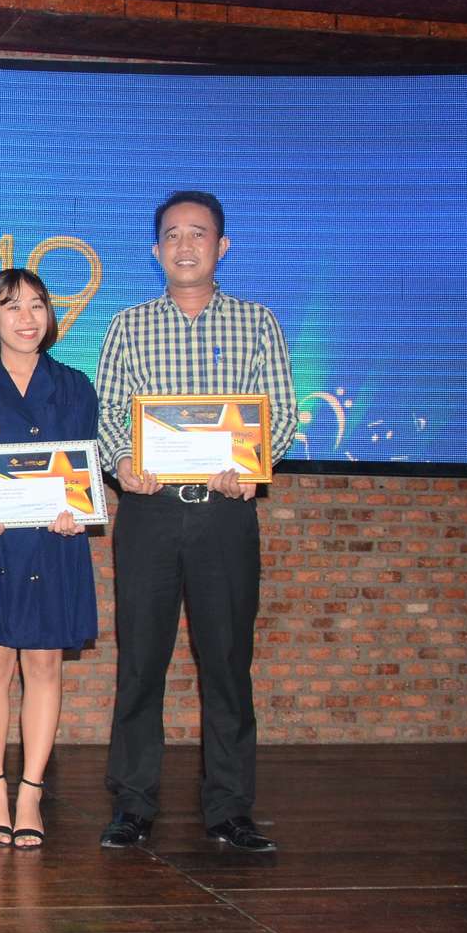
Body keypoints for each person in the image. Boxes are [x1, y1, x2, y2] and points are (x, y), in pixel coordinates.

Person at [93, 190, 297, 854]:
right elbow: (107, 414)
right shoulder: (128, 325)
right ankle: (133, 803)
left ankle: (230, 809)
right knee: (140, 662)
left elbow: (281, 413)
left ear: (222, 246)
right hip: (149, 512)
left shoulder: (257, 323)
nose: (186, 245)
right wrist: (123, 461)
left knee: (228, 663)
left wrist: (253, 465)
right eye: (173, 234)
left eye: (199, 233)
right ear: (156, 250)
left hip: (225, 513)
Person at [0, 269, 99, 850]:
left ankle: (31, 794)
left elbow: (83, 471)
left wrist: (77, 511)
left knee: (44, 668)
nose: (26, 318)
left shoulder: (75, 386)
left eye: (37, 305)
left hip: (54, 544)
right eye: (11, 307)